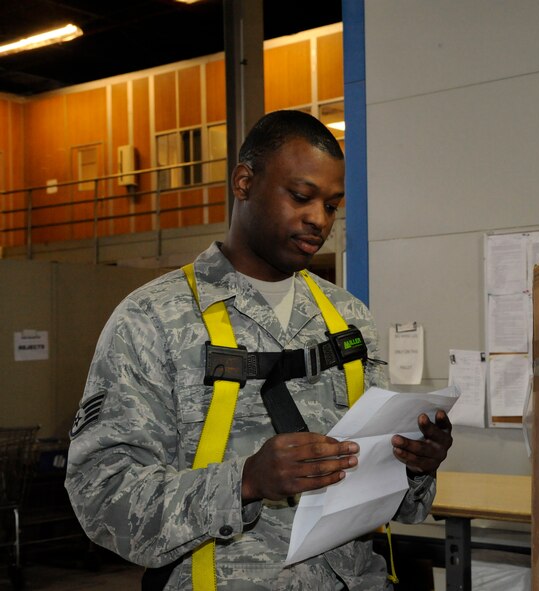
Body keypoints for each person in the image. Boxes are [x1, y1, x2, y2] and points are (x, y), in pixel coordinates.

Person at [65, 110, 453, 590]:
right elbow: (102, 499)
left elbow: (390, 495)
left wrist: (414, 464)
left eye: (332, 206)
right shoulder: (153, 319)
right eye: (301, 196)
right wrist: (245, 481)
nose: (319, 219)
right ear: (244, 182)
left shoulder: (347, 317)